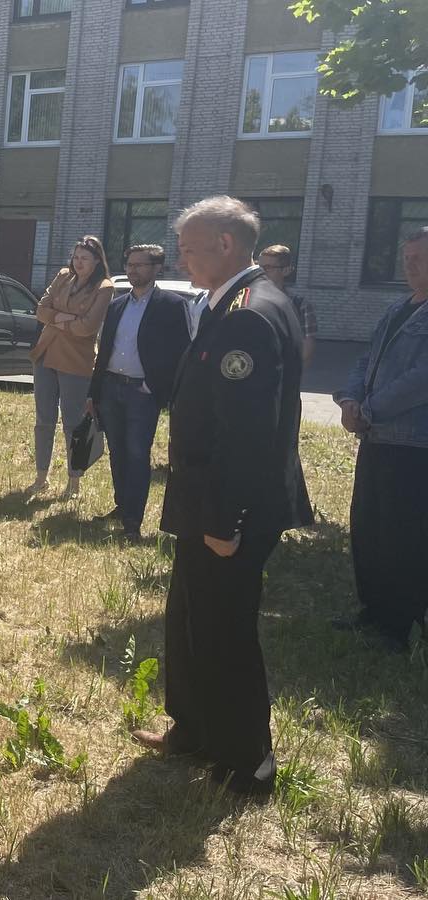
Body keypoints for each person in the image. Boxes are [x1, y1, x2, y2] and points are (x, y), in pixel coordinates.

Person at [133, 196, 313, 799]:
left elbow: (246, 433)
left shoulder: (249, 314)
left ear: (226, 245)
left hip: (228, 504)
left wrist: (224, 518)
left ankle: (246, 760)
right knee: (190, 616)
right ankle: (194, 729)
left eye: (189, 248)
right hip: (204, 497)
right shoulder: (236, 301)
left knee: (224, 629)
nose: (181, 257)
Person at [332, 227, 428, 653]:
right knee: (369, 525)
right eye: (407, 258)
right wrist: (349, 398)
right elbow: (365, 359)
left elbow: (420, 380)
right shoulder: (398, 308)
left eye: (420, 258)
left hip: (412, 443)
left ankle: (399, 625)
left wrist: (368, 411)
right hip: (377, 438)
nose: (411, 265)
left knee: (403, 532)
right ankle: (373, 609)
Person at [86, 244, 192, 539]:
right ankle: (122, 506)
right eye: (129, 264)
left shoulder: (171, 306)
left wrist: (157, 387)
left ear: (157, 268)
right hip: (111, 388)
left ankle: (133, 521)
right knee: (117, 452)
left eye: (139, 265)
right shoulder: (117, 305)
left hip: (142, 393)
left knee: (136, 454)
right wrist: (93, 392)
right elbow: (104, 351)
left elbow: (182, 353)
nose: (132, 270)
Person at [28, 236, 114, 497]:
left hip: (76, 360)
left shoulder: (104, 287)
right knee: (44, 419)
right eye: (76, 257)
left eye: (84, 258)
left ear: (97, 261)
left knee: (73, 422)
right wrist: (68, 318)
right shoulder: (63, 276)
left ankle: (74, 482)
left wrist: (56, 319)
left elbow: (88, 328)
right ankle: (41, 477)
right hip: (46, 353)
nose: (78, 263)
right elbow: (40, 310)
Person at [257, 244, 317, 367]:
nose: (261, 272)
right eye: (259, 267)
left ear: (286, 270)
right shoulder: (246, 300)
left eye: (268, 268)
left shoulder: (300, 306)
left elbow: (306, 351)